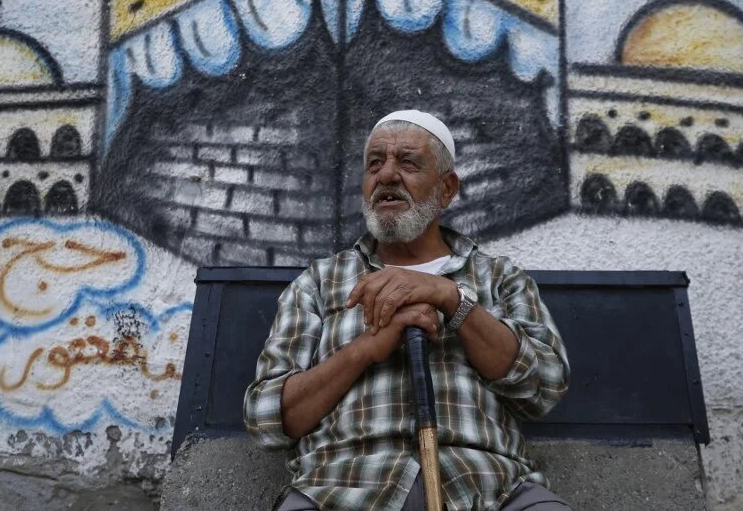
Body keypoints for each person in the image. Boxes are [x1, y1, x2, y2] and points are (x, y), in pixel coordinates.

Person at [244, 110, 570, 511]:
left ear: (447, 189)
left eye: (409, 162)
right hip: (339, 489)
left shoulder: (498, 277)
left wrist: (453, 300)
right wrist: (364, 349)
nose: (387, 175)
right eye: (375, 163)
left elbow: (545, 386)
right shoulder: (320, 282)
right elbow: (266, 419)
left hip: (488, 488)